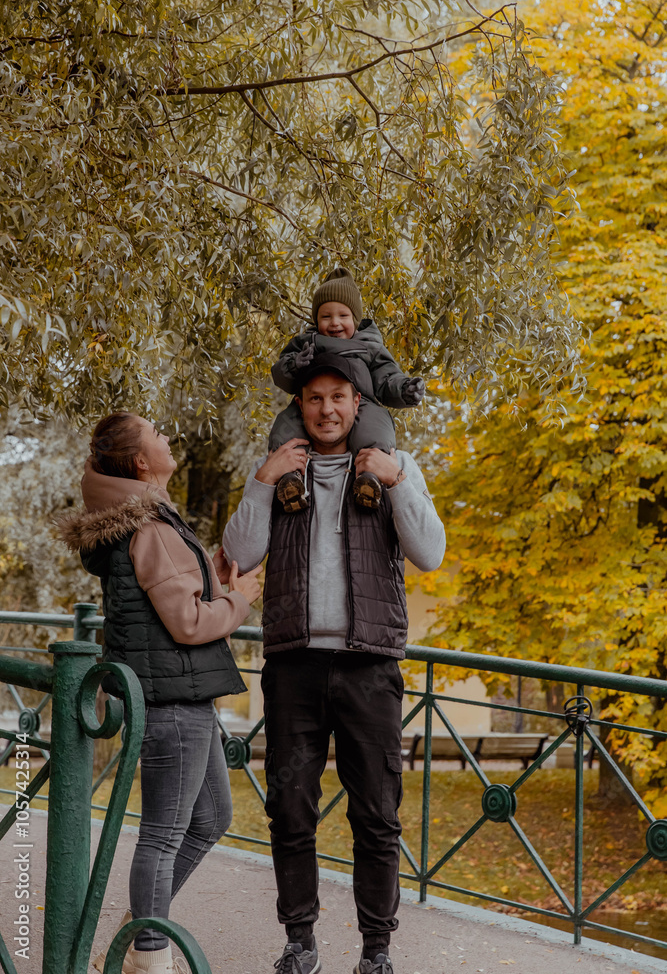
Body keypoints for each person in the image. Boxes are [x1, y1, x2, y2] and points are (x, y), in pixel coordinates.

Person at [223, 356, 446, 974]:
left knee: (376, 815)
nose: (326, 409)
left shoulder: (392, 467)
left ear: (357, 404)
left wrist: (397, 481)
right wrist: (262, 481)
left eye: (338, 397)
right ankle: (300, 942)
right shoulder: (278, 473)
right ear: (299, 407)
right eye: (314, 399)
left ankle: (377, 951)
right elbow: (239, 554)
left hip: (368, 665)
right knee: (289, 808)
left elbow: (429, 553)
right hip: (294, 663)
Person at [57, 412, 262, 974]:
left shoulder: (145, 520)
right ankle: (148, 956)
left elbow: (169, 598)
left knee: (211, 818)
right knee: (164, 835)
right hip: (173, 699)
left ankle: (140, 928)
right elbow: (190, 624)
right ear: (142, 462)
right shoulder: (150, 526)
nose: (168, 435)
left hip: (178, 693)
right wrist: (241, 598)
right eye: (157, 433)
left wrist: (213, 576)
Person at [269, 266, 425, 513]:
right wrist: (294, 365)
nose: (334, 323)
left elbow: (386, 378)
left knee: (374, 431)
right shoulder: (306, 343)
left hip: (362, 403)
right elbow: (280, 372)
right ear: (315, 320)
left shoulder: (369, 346)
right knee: (286, 429)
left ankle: (369, 478)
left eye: (343, 316)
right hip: (312, 402)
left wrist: (404, 389)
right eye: (326, 316)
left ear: (355, 319)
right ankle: (290, 479)